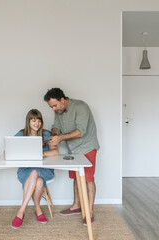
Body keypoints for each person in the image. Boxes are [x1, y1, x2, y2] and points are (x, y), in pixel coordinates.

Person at [43, 88, 99, 225]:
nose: (54, 109)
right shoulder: (59, 111)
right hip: (72, 150)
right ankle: (76, 206)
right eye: (51, 107)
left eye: (55, 105)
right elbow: (56, 126)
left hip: (87, 147)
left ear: (62, 100)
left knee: (88, 179)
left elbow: (81, 131)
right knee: (75, 177)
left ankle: (89, 211)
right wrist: (55, 134)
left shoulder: (80, 107)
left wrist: (60, 138)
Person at [11, 109, 58, 229]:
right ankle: (37, 208)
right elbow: (8, 150)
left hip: (44, 168)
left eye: (39, 121)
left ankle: (21, 211)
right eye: (33, 120)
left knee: (35, 172)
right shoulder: (21, 134)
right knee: (39, 181)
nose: (37, 123)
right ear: (28, 121)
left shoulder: (46, 134)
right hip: (25, 169)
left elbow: (55, 152)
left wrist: (41, 154)